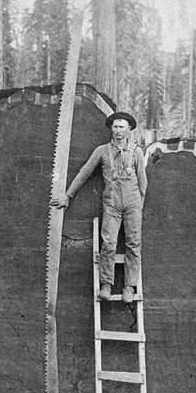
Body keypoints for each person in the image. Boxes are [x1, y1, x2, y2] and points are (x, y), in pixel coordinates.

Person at [52, 111, 147, 304]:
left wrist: (139, 206)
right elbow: (85, 172)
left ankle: (129, 286)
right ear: (111, 129)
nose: (118, 130)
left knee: (133, 244)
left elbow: (143, 182)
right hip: (111, 202)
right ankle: (106, 284)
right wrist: (68, 195)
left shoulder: (136, 152)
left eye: (122, 126)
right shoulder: (102, 151)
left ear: (129, 129)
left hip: (133, 202)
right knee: (109, 243)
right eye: (115, 126)